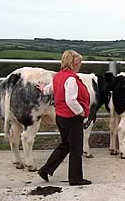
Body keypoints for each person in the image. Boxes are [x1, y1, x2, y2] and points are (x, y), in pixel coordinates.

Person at [37, 50, 92, 186]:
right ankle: (76, 179)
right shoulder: (71, 79)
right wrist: (81, 112)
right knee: (76, 149)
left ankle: (45, 170)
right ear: (73, 63)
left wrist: (42, 88)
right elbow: (71, 100)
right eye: (79, 62)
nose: (80, 65)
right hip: (72, 119)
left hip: (60, 117)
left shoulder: (58, 76)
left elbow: (49, 90)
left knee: (66, 145)